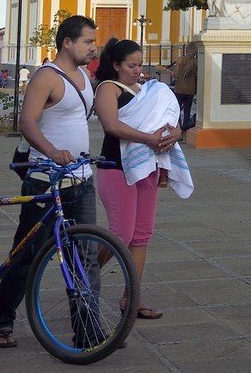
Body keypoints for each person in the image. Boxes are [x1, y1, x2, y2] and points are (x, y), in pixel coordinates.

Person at [0, 15, 101, 348]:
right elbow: (27, 123)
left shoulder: (84, 77)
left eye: (94, 42)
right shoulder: (47, 77)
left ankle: (87, 331)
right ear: (67, 42)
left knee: (85, 255)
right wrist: (52, 151)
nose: (93, 47)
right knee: (27, 254)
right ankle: (0, 321)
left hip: (80, 179)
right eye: (87, 42)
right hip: (44, 180)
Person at [92, 38, 180, 322]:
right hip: (116, 168)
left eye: (140, 64)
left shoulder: (148, 90)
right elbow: (112, 125)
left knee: (141, 235)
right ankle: (86, 270)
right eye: (131, 65)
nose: (137, 70)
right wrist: (149, 139)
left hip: (147, 168)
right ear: (116, 65)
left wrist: (175, 134)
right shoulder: (108, 88)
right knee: (121, 234)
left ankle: (132, 297)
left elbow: (169, 118)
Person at [172, 41, 199, 133]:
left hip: (179, 89)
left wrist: (174, 73)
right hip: (190, 90)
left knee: (177, 111)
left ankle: (178, 129)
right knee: (187, 111)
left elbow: (175, 75)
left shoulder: (180, 60)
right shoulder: (196, 62)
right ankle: (185, 130)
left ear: (186, 50)